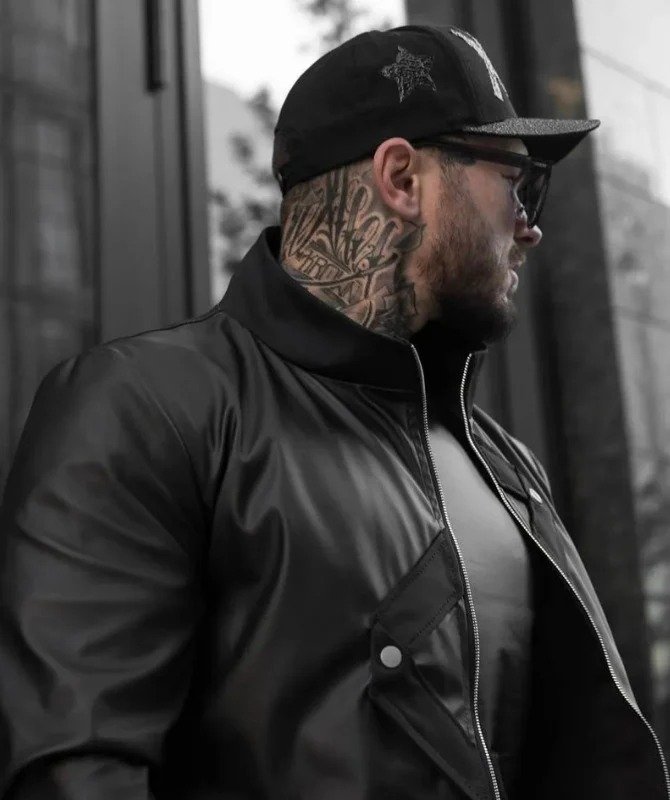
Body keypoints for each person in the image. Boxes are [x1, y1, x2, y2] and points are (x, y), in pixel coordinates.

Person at [0, 23, 667, 800]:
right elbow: (74, 772)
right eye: (520, 182)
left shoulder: (506, 464)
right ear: (402, 178)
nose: (531, 225)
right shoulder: (147, 406)